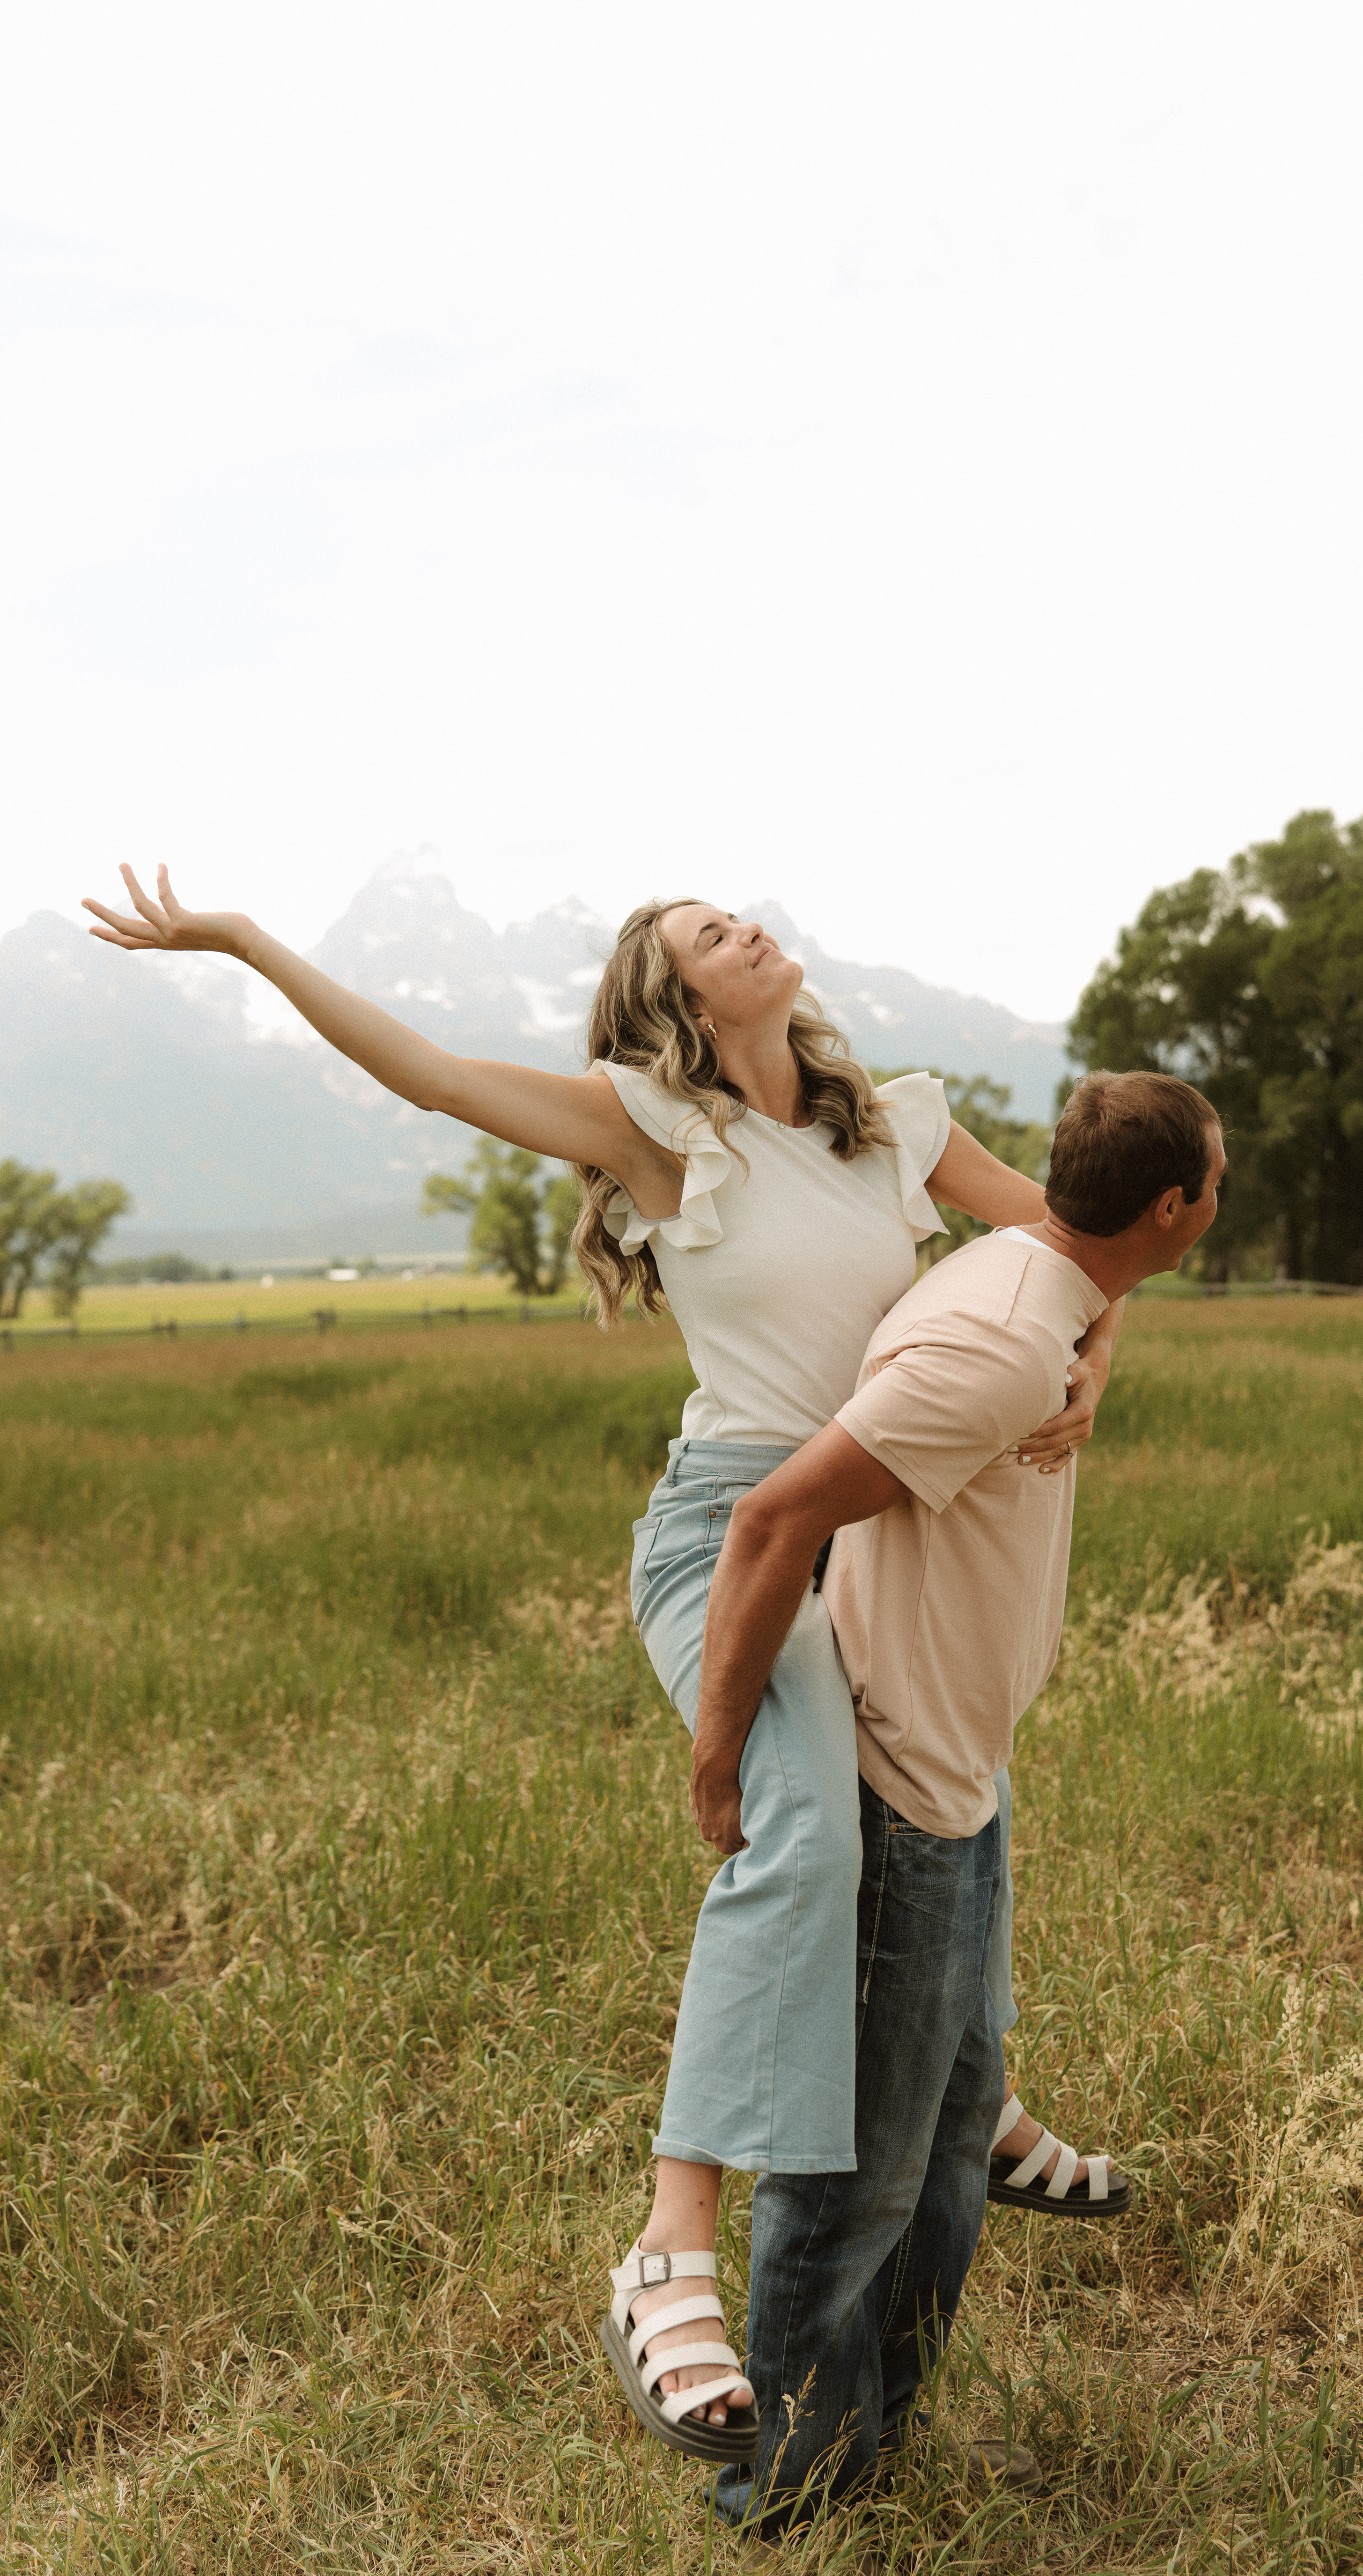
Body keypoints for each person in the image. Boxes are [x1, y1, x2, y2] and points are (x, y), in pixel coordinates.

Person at [81, 865, 1128, 2456]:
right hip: (734, 1535)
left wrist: (1099, 1358)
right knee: (806, 1831)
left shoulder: (891, 1123)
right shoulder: (658, 1131)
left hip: (862, 1532)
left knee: (943, 1796)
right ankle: (668, 2246)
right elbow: (428, 1074)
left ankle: (967, 2102)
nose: (748, 926)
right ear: (679, 1002)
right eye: (710, 933)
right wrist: (240, 939)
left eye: (742, 910)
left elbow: (1073, 1247)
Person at [640, 1071, 1226, 2529]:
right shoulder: (1000, 1337)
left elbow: (1068, 1307)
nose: (1221, 1200)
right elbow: (773, 1517)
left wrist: (1100, 1349)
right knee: (862, 2179)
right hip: (902, 1785)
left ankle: (877, 2441)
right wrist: (720, 1748)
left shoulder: (1047, 1294)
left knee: (954, 2144)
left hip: (964, 1773)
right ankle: (790, 2489)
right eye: (1219, 1182)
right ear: (1175, 1209)